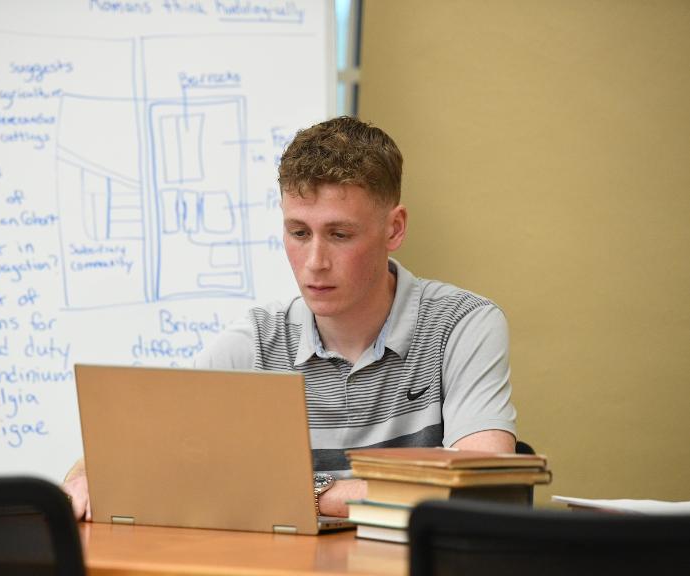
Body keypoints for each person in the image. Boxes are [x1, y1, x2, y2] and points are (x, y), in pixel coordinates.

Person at [63, 116, 516, 520]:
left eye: (339, 234)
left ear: (393, 228)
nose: (314, 261)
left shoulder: (462, 325)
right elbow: (123, 454)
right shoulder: (256, 344)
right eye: (298, 233)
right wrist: (84, 478)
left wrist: (322, 495)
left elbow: (482, 487)